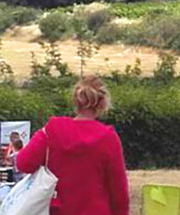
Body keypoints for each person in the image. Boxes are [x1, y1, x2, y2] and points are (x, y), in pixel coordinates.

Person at [17, 75, 129, 215]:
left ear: (75, 101)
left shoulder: (52, 131)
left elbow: (23, 163)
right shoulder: (108, 138)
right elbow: (119, 191)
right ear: (102, 104)